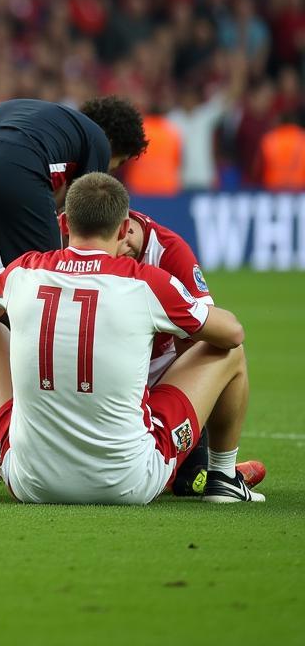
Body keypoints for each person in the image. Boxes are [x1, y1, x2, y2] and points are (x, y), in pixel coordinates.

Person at [0, 173, 263, 505]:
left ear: (64, 223)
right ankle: (224, 478)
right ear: (124, 230)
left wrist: (18, 306)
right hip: (130, 482)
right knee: (230, 352)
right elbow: (231, 333)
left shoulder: (26, 270)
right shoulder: (148, 282)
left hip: (30, 481)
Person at [0, 95, 147, 474]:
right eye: (121, 165)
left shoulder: (41, 116)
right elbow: (84, 229)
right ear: (118, 151)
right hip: (13, 167)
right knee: (49, 302)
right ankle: (44, 446)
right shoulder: (95, 140)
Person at [120, 208, 265, 495]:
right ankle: (220, 475)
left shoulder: (169, 252)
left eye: (128, 237)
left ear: (126, 224)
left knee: (218, 344)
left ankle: (207, 467)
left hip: (154, 377)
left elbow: (204, 334)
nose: (123, 247)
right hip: (109, 380)